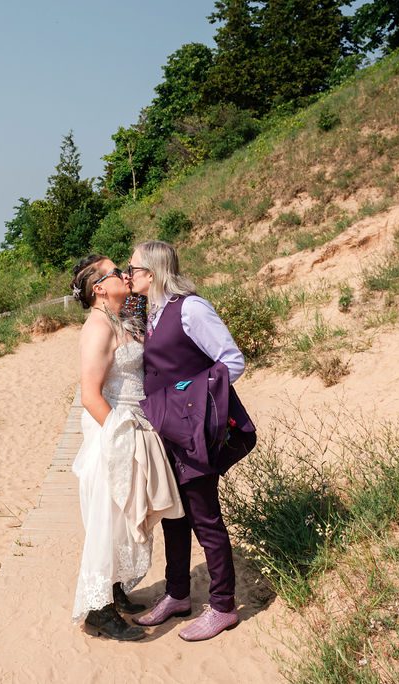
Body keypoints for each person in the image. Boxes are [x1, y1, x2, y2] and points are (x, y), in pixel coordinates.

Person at [125, 240, 246, 642]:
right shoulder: (152, 312)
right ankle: (177, 594)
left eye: (135, 270)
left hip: (193, 433)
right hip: (166, 434)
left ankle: (224, 606)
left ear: (155, 271)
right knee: (174, 518)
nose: (130, 276)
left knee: (206, 519)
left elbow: (232, 360)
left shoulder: (191, 308)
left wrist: (187, 393)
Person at [68, 254, 184, 641]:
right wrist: (122, 436)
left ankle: (114, 589)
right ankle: (97, 611)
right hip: (114, 430)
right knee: (109, 516)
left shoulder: (121, 317)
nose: (125, 275)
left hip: (135, 423)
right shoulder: (98, 327)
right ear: (99, 288)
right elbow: (90, 395)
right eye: (118, 272)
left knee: (123, 512)